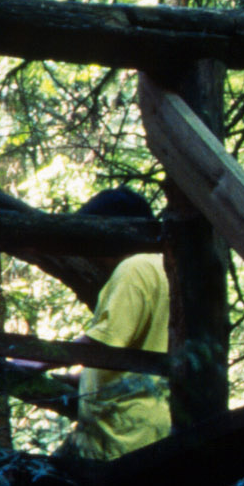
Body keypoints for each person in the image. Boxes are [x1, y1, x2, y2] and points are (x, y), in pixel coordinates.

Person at [61, 186, 173, 459]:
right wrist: (82, 378)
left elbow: (105, 341)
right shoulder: (161, 266)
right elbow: (139, 346)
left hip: (126, 436)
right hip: (141, 426)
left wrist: (33, 359)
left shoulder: (134, 268)